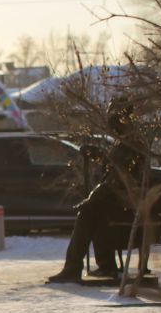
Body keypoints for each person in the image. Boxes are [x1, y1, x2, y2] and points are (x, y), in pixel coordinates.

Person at [47, 97, 145, 283]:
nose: (110, 121)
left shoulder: (131, 142)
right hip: (123, 203)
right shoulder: (127, 140)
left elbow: (119, 177)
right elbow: (114, 167)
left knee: (88, 213)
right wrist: (99, 155)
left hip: (128, 207)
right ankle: (104, 266)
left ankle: (73, 268)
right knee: (94, 212)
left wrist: (92, 199)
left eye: (113, 116)